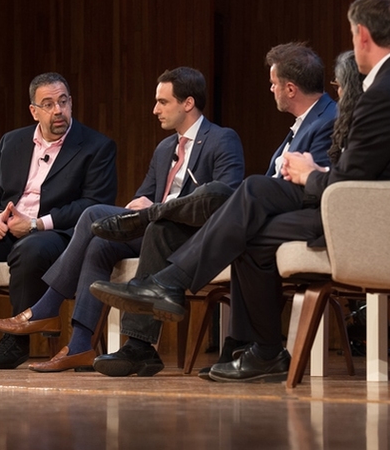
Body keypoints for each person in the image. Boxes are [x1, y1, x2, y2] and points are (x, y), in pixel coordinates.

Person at [90, 0, 390, 382]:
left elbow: (350, 182)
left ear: (363, 35)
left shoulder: (384, 92)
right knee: (252, 209)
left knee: (251, 198)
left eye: (352, 34)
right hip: (384, 212)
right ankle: (253, 345)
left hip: (372, 223)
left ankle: (186, 294)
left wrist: (308, 173)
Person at [90, 43, 338, 377]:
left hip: (291, 216)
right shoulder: (302, 124)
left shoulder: (326, 120)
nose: (271, 89)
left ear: (290, 89)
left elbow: (311, 188)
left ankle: (167, 269)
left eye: (273, 83)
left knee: (228, 191)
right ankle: (140, 345)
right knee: (163, 230)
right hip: (251, 214)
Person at [0, 67, 245, 372]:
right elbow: (143, 198)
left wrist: (158, 208)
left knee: (94, 213)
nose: (155, 109)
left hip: (192, 234)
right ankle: (82, 344)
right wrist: (141, 204)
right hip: (155, 225)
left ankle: (47, 306)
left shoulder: (221, 139)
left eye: (163, 102)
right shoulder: (165, 149)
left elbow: (224, 196)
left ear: (187, 103)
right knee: (100, 244)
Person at [0, 72, 118, 370]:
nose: (58, 110)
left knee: (30, 247)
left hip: (57, 233)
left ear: (71, 103)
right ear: (34, 110)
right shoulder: (12, 141)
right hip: (8, 228)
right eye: (48, 104)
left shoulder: (96, 147)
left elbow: (94, 205)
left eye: (63, 101)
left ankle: (16, 342)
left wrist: (36, 224)